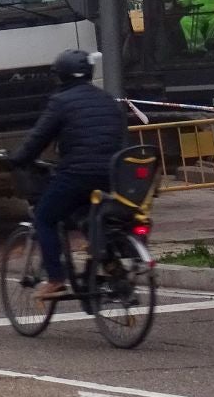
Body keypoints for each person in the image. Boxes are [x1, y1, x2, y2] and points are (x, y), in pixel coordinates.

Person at [7, 49, 126, 301]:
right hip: (114, 173)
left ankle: (56, 279)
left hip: (78, 173)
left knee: (45, 218)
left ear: (59, 76)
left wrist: (17, 159)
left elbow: (39, 137)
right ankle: (109, 261)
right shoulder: (107, 99)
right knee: (87, 216)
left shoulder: (61, 101)